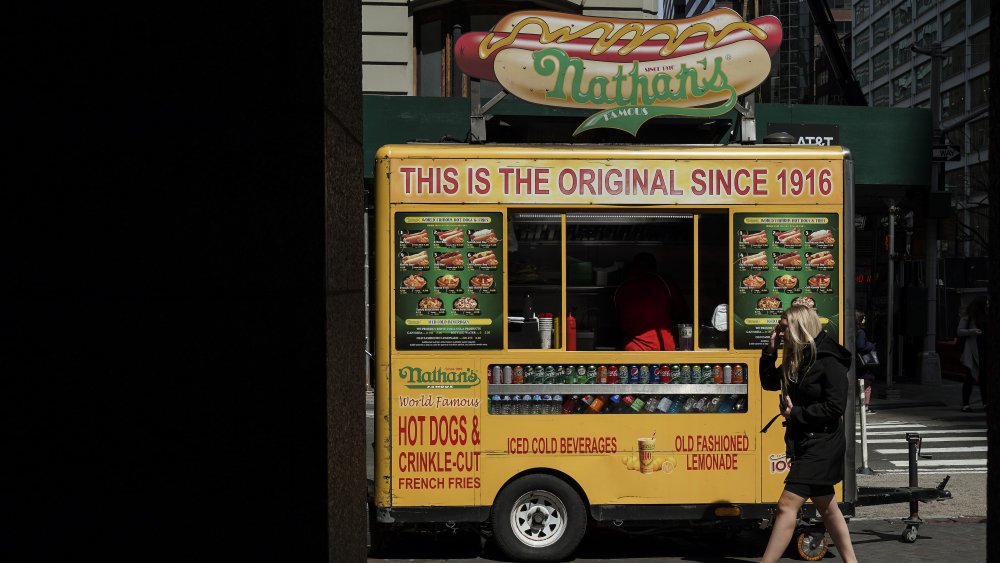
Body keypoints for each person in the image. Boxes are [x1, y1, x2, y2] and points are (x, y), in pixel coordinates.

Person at [759, 305, 858, 563]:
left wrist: (797, 413)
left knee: (786, 505)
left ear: (800, 328)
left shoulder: (828, 359)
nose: (782, 334)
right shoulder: (799, 357)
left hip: (823, 443)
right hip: (806, 441)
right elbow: (770, 382)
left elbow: (836, 407)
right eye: (780, 329)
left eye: (785, 329)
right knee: (827, 507)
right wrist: (770, 350)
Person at [613, 252, 690, 351]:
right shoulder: (665, 283)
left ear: (634, 268)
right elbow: (683, 315)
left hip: (633, 350)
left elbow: (617, 321)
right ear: (654, 267)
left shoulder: (622, 288)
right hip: (663, 348)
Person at [957, 296, 989, 412]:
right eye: (986, 303)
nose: (987, 305)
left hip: (984, 349)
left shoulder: (986, 315)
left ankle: (985, 403)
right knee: (970, 378)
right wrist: (973, 331)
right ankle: (966, 404)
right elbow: (959, 331)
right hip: (973, 350)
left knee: (984, 378)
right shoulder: (969, 317)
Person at [855, 310, 876, 414]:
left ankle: (864, 406)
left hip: (856, 363)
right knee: (866, 385)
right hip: (862, 364)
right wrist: (871, 345)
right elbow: (861, 346)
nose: (865, 319)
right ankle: (865, 407)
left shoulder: (852, 330)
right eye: (863, 318)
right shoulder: (861, 332)